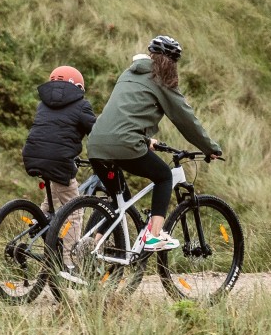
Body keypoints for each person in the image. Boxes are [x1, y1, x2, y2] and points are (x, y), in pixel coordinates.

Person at [85, 35, 223, 250]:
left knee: (118, 200)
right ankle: (154, 235)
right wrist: (209, 148)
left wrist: (145, 139)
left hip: (96, 143)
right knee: (163, 176)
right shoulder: (162, 80)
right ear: (172, 63)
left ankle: (93, 246)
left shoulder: (127, 74)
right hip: (125, 143)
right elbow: (185, 119)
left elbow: (126, 113)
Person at [21, 65, 96, 213]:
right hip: (59, 161)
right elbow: (96, 132)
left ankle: (38, 223)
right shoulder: (82, 105)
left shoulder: (42, 105)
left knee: (53, 197)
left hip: (32, 155)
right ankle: (73, 238)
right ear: (79, 86)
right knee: (75, 211)